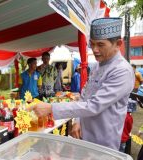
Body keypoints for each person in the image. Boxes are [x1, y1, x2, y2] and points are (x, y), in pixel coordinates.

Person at [29, 18, 135, 150]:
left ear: (118, 44)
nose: (95, 50)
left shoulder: (122, 71)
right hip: (84, 135)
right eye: (92, 44)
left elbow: (93, 106)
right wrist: (78, 121)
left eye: (100, 45)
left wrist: (51, 108)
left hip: (103, 142)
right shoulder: (97, 66)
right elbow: (85, 96)